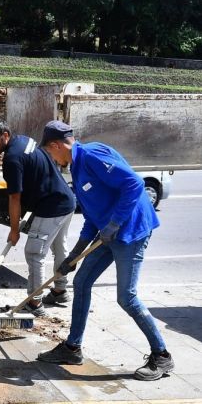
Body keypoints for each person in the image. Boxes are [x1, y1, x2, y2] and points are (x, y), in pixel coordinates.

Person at [37, 121, 173, 381]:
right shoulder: (76, 168)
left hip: (131, 232)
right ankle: (73, 347)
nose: (53, 159)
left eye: (51, 153)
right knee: (81, 280)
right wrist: (74, 255)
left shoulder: (91, 156)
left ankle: (162, 356)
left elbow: (134, 184)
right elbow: (92, 216)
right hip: (109, 233)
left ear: (56, 145)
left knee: (127, 297)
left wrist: (115, 223)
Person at [0, 119, 76, 316]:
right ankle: (60, 290)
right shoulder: (25, 140)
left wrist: (14, 229)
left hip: (51, 207)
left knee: (34, 253)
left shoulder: (11, 159)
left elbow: (14, 197)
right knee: (59, 246)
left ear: (5, 136)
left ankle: (34, 303)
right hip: (66, 199)